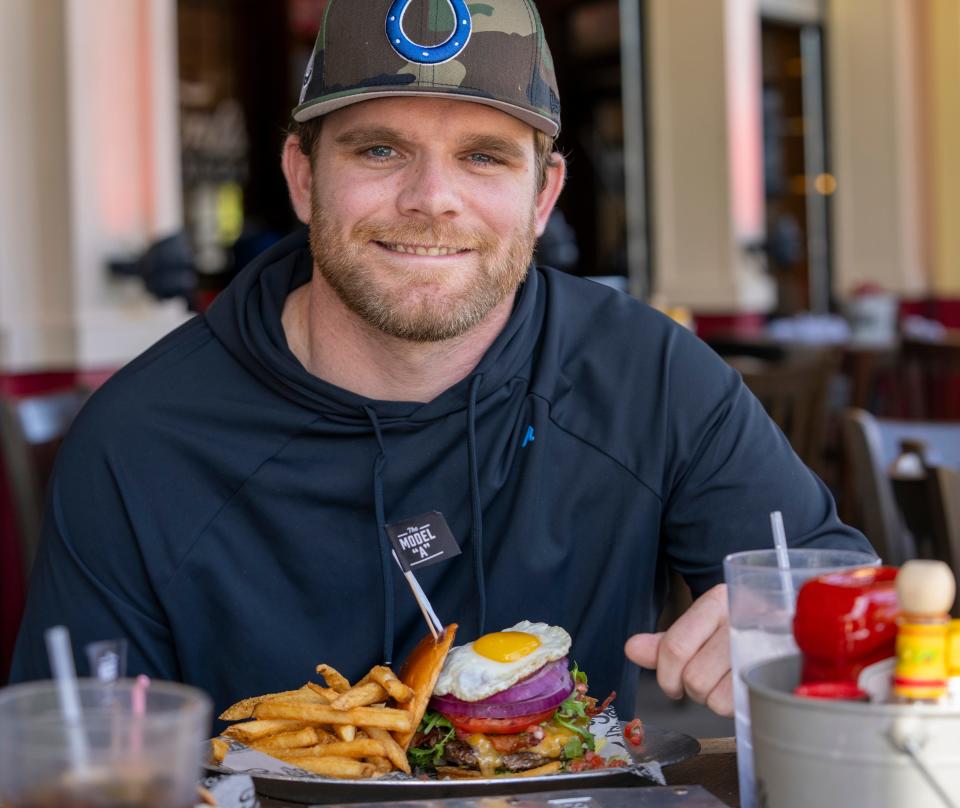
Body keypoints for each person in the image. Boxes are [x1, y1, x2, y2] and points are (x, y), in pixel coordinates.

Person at [10, 0, 871, 720]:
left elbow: (854, 603)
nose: (431, 200)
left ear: (543, 196)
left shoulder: (648, 377)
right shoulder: (142, 439)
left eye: (484, 156)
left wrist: (801, 628)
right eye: (379, 150)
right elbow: (79, 756)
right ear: (303, 178)